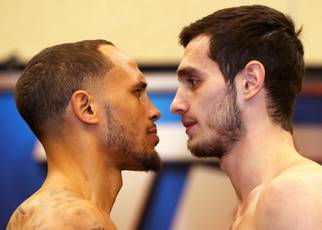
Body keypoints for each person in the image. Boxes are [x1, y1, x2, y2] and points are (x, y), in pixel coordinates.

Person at [170, 5, 322, 230]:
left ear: (250, 82)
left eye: (193, 82)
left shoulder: (297, 191)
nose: (176, 105)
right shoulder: (249, 208)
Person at [7, 39, 161, 229]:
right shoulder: (69, 218)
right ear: (86, 108)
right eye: (137, 92)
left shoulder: (40, 214)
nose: (154, 111)